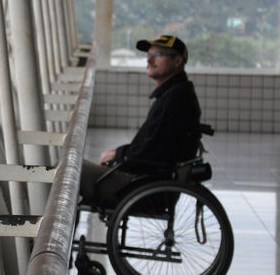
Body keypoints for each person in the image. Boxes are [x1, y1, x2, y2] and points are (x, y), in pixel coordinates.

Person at [80, 35, 202, 208]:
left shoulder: (174, 100)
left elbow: (151, 152)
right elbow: (154, 147)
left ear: (177, 61)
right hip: (148, 180)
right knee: (72, 167)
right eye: (148, 56)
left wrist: (118, 154)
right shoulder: (177, 94)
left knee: (67, 172)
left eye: (158, 55)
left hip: (141, 184)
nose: (149, 60)